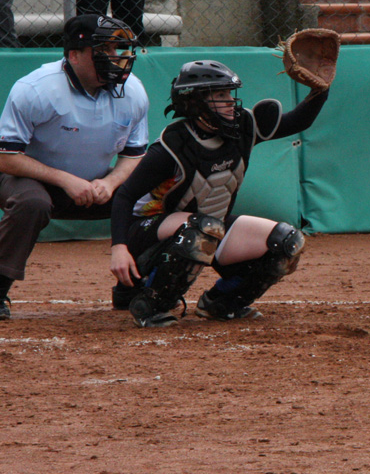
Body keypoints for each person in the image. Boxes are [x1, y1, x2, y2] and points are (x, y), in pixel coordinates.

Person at [109, 60, 330, 328]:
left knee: (286, 242)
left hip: (206, 225)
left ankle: (222, 302)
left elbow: (298, 121)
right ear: (197, 101)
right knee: (201, 229)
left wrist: (321, 90)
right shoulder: (173, 145)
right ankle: (149, 300)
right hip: (146, 234)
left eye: (229, 94)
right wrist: (119, 248)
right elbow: (124, 196)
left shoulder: (242, 127)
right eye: (220, 95)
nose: (230, 102)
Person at [0, 14, 149, 320]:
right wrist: (66, 180)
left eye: (117, 50)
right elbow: (3, 158)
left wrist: (111, 183)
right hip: (28, 177)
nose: (115, 58)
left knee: (151, 198)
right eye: (103, 50)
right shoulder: (37, 88)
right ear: (75, 55)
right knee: (32, 202)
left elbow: (135, 155)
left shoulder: (132, 91)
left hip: (93, 184)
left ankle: (130, 285)